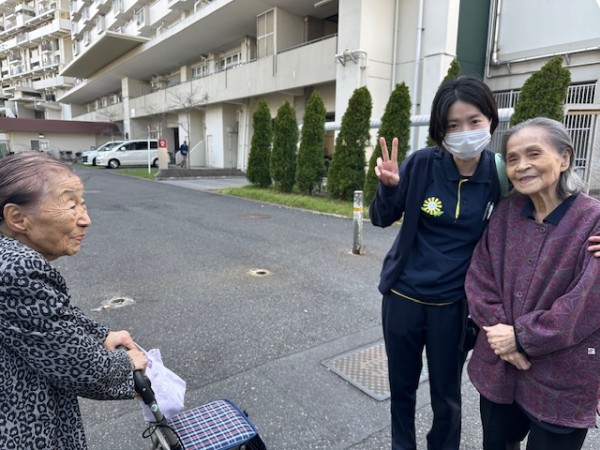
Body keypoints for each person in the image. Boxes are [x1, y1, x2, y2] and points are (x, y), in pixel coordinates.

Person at [370, 76, 600, 450]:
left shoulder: (499, 172)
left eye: (474, 121)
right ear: (440, 129)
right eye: (453, 124)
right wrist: (389, 187)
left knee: (446, 394)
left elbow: (555, 194)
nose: (464, 132)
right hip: (403, 297)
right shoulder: (422, 164)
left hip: (453, 304)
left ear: (490, 120)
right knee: (402, 387)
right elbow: (382, 217)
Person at [465, 117, 600, 450]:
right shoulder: (505, 213)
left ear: (564, 158)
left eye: (534, 154)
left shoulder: (593, 221)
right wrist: (501, 336)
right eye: (512, 158)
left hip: (563, 381)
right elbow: (480, 277)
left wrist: (520, 338)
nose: (522, 165)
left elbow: (583, 305)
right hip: (500, 366)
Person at [0, 152, 147, 450]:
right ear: (17, 218)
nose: (85, 219)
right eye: (70, 205)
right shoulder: (17, 269)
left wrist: (101, 335)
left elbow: (52, 316)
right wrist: (128, 365)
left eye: (83, 203)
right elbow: (81, 367)